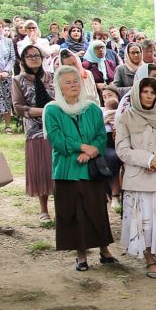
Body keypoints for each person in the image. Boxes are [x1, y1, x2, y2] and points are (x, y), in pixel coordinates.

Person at [44, 66, 116, 272]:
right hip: (67, 170)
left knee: (97, 210)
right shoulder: (52, 109)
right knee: (72, 213)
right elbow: (56, 139)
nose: (73, 85)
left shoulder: (92, 108)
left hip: (91, 169)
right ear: (59, 86)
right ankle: (81, 255)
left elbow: (101, 136)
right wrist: (82, 147)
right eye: (67, 82)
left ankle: (105, 250)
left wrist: (91, 152)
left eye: (75, 81)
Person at [114, 76, 156, 278]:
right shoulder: (126, 117)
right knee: (144, 220)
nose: (149, 96)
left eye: (153, 92)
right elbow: (122, 149)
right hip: (139, 177)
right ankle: (149, 259)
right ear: (137, 93)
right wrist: (147, 160)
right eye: (145, 91)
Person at [12, 45, 56, 224]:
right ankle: (43, 209)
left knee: (56, 167)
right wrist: (44, 111)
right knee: (41, 169)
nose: (34, 58)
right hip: (34, 130)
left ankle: (62, 206)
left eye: (36, 55)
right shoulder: (18, 80)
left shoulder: (51, 76)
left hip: (55, 126)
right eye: (29, 56)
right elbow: (18, 107)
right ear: (23, 59)